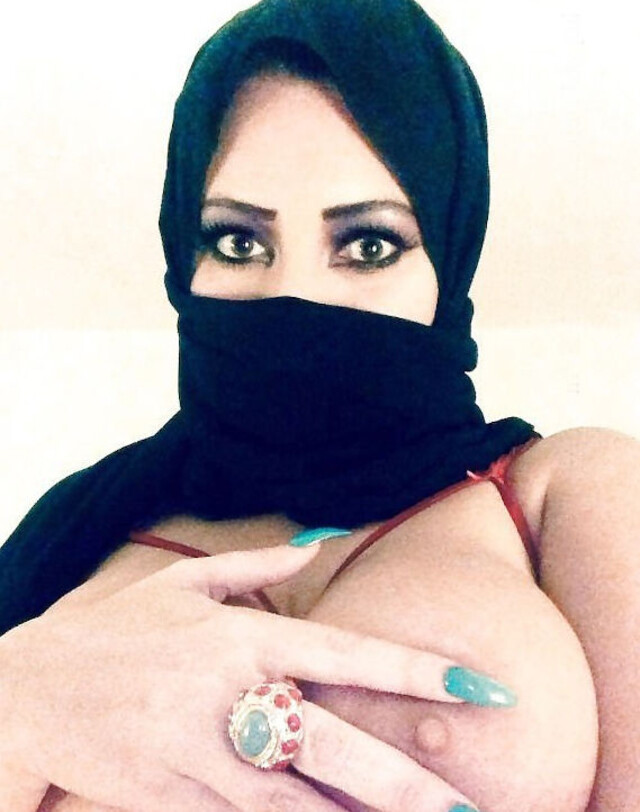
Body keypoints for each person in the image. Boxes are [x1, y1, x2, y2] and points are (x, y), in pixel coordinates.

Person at [0, 0, 638, 810]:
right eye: (239, 242)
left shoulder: (561, 495)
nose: (295, 295)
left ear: (449, 257)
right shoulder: (78, 532)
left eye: (368, 244)